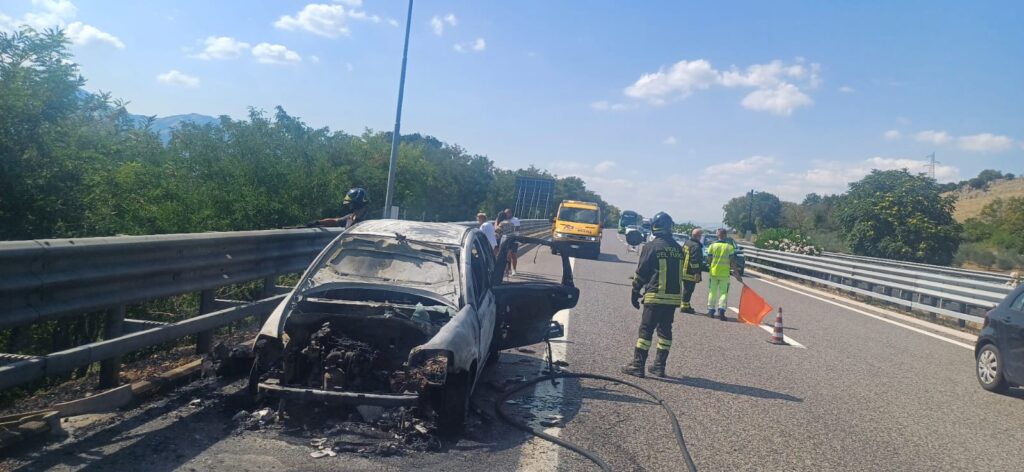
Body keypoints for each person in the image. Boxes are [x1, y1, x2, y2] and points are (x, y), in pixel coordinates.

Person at [621, 212, 685, 378]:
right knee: (665, 332)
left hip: (655, 296)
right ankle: (659, 366)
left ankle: (638, 365)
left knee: (646, 331)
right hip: (673, 299)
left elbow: (641, 273)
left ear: (654, 227)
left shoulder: (651, 247)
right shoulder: (678, 249)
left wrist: (634, 293)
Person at [706, 228, 740, 321]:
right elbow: (732, 261)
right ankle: (721, 310)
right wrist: (736, 273)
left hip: (713, 272)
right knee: (723, 293)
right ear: (725, 235)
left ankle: (711, 311)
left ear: (717, 235)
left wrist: (710, 265)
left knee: (712, 291)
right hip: (724, 274)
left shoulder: (712, 246)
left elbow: (708, 259)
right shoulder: (729, 247)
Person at [680, 228, 704, 314]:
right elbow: (694, 260)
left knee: (687, 289)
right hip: (690, 272)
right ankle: (685, 306)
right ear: (698, 236)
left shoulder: (687, 243)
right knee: (689, 289)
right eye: (700, 235)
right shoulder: (696, 246)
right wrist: (696, 273)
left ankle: (686, 305)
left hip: (683, 270)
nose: (701, 237)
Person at [502, 208, 520, 276]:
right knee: (507, 255)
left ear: (510, 213)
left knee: (513, 255)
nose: (507, 214)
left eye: (508, 213)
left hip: (514, 239)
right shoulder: (503, 220)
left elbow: (517, 229)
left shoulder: (516, 220)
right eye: (506, 213)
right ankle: (508, 270)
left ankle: (514, 270)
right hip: (506, 239)